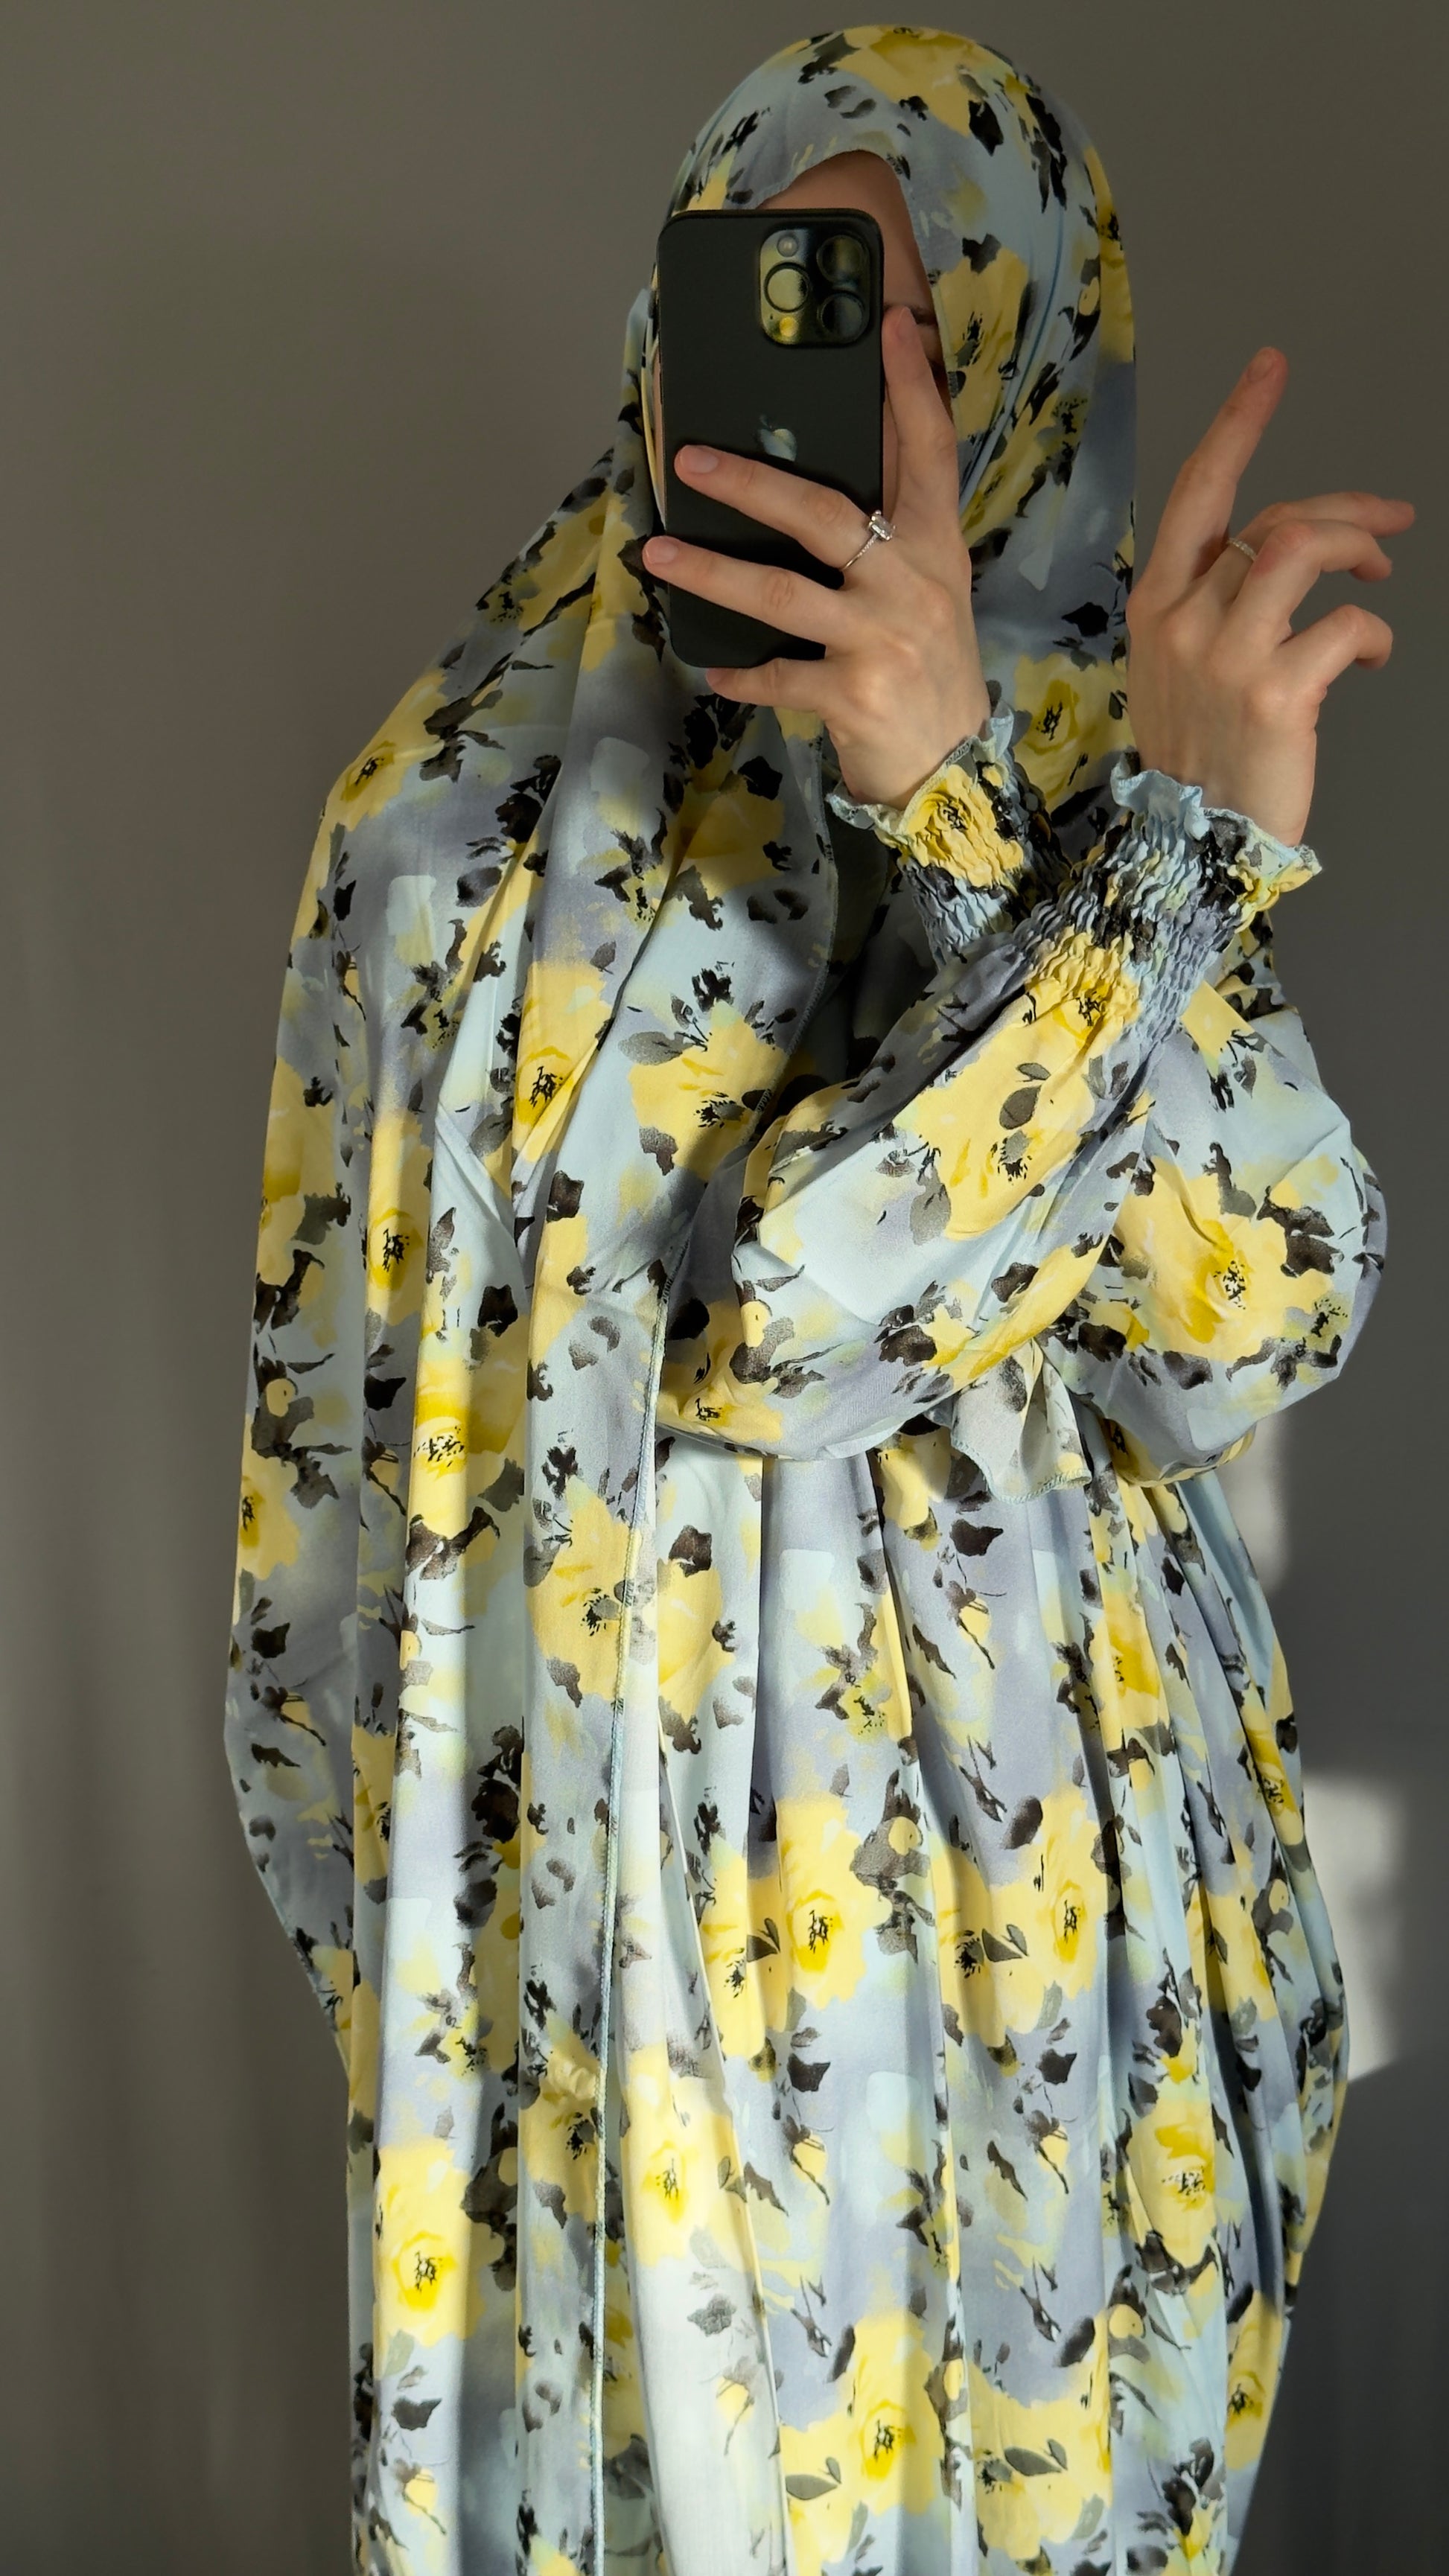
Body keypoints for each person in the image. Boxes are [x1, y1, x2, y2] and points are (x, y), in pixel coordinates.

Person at [226, 28, 1409, 2576]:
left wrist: (992, 802)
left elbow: (1239, 1321)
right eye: (773, 290)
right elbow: (338, 1502)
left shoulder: (1126, 782)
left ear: (1013, 347)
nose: (837, 390)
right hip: (595, 1908)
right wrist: (425, 1964)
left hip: (1028, 1936)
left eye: (904, 319)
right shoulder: (448, 818)